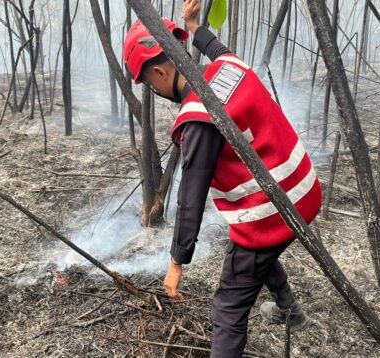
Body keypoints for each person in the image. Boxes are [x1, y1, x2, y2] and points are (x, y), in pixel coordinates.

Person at [122, 1, 322, 356]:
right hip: (304, 192)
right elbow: (218, 50)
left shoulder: (198, 117)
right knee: (248, 245)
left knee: (228, 308)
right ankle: (289, 310)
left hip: (270, 214)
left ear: (160, 74)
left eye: (147, 82)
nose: (150, 89)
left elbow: (191, 196)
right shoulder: (229, 66)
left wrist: (176, 262)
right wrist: (194, 26)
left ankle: (279, 314)